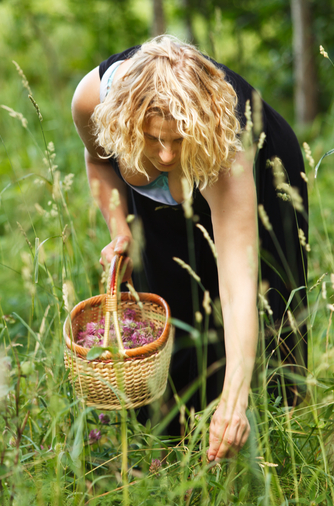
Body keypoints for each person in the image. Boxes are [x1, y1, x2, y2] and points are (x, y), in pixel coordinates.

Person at [71, 35, 308, 463]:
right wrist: (120, 229)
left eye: (176, 140)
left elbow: (238, 284)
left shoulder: (227, 143)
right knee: (167, 288)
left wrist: (234, 401)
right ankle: (174, 440)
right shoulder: (93, 99)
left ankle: (270, 435)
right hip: (169, 160)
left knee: (269, 306)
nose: (164, 155)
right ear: (126, 122)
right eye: (152, 138)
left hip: (263, 169)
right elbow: (97, 162)